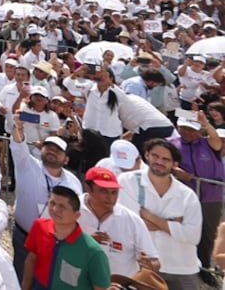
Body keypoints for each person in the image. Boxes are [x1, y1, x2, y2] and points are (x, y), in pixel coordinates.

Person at [117, 138, 202, 290]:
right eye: (155, 156)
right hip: (142, 268)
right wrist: (172, 223)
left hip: (182, 268)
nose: (159, 162)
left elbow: (192, 236)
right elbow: (129, 224)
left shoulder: (187, 195)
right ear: (147, 155)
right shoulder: (127, 181)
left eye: (165, 159)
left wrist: (150, 217)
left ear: (174, 164)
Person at [10, 118, 82, 284]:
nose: (52, 151)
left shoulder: (73, 182)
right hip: (24, 237)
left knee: (45, 279)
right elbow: (18, 142)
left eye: (58, 150)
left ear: (66, 159)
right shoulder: (26, 164)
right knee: (20, 278)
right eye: (48, 147)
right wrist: (18, 125)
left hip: (54, 242)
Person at [168, 111, 225, 283]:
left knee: (208, 234)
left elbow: (215, 140)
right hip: (184, 197)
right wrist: (174, 170)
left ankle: (205, 269)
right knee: (184, 230)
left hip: (210, 197)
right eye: (184, 128)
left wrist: (207, 124)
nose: (187, 132)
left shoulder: (208, 144)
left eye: (192, 129)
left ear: (200, 131)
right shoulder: (170, 144)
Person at [23, 185, 111, 290]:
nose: (55, 209)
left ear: (76, 215)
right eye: (52, 203)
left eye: (62, 206)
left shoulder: (93, 252)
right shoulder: (39, 226)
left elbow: (100, 287)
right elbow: (31, 260)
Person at [78, 167, 160, 278]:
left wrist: (149, 265)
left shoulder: (132, 220)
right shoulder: (70, 209)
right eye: (103, 191)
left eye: (114, 192)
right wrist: (82, 242)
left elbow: (154, 261)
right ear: (88, 188)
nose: (110, 198)